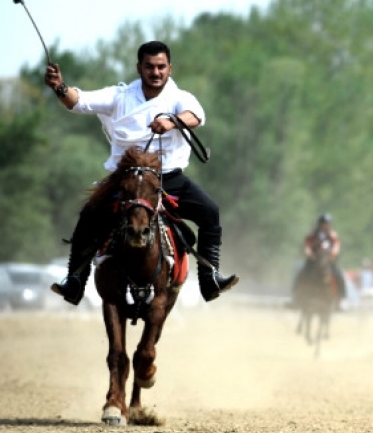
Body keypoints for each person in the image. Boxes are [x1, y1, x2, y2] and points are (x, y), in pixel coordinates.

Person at [44, 41, 239, 304]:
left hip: (168, 179)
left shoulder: (179, 97)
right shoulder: (119, 96)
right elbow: (79, 102)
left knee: (210, 211)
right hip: (124, 179)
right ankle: (76, 281)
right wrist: (60, 87)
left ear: (170, 68)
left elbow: (197, 116)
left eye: (161, 67)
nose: (155, 72)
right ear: (139, 68)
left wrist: (171, 122)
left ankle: (209, 278)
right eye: (149, 67)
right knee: (89, 215)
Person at [300, 213, 347, 303]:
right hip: (313, 260)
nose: (326, 225)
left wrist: (333, 254)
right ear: (320, 224)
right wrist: (309, 254)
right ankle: (297, 297)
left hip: (328, 260)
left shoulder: (332, 235)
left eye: (327, 223)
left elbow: (336, 246)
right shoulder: (312, 234)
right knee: (302, 274)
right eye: (324, 223)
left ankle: (341, 298)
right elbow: (307, 245)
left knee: (338, 275)